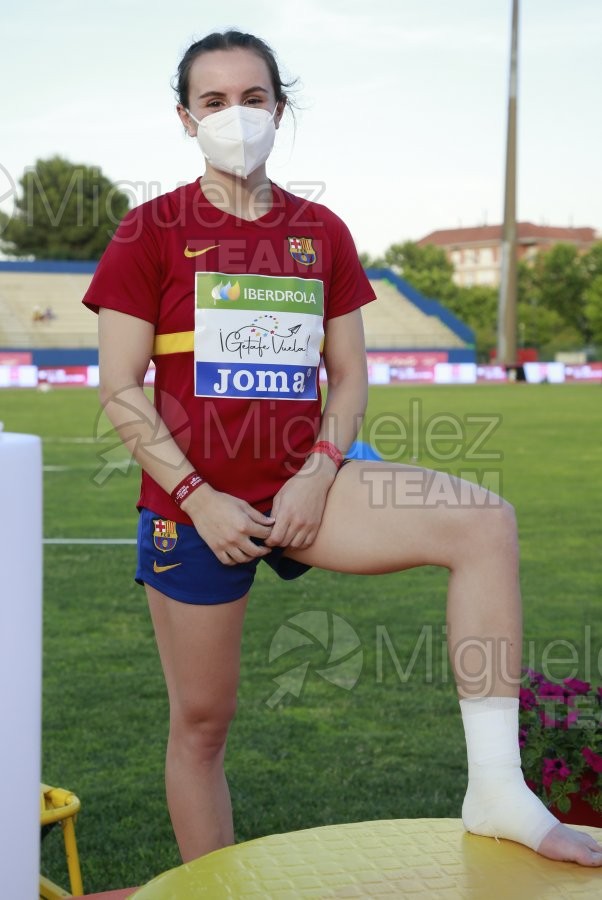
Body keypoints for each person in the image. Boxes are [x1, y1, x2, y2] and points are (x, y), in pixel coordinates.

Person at [83, 30, 602, 868]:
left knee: (485, 525)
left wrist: (320, 473)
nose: (235, 116)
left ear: (279, 109)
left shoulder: (319, 229)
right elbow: (119, 388)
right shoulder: (149, 230)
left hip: (309, 488)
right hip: (196, 507)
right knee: (204, 723)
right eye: (213, 102)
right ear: (185, 118)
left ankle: (498, 789)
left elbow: (350, 379)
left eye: (253, 98)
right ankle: (213, 889)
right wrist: (198, 498)